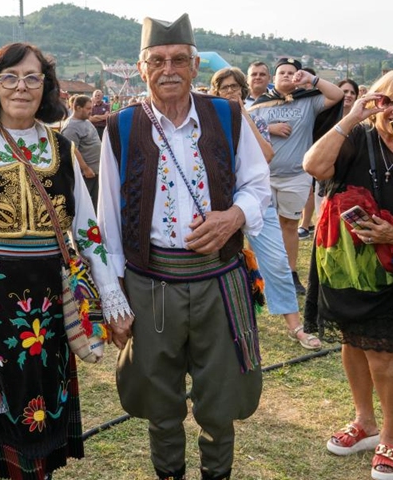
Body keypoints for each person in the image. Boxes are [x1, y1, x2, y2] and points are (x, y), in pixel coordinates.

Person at [0, 42, 133, 480]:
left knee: (41, 398)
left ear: (46, 86)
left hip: (50, 303)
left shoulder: (60, 146)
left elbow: (88, 230)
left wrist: (111, 297)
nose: (21, 87)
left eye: (32, 78)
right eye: (10, 78)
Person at [101, 14, 270, 480]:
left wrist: (233, 217)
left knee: (222, 395)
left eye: (179, 59)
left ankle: (217, 474)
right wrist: (113, 299)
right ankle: (169, 474)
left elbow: (259, 186)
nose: (168, 68)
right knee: (159, 397)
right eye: (157, 60)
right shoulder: (121, 126)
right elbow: (108, 219)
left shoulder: (226, 115)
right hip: (152, 281)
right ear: (142, 69)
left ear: (195, 65)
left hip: (220, 277)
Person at [303, 70, 393, 480]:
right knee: (351, 340)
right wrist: (351, 117)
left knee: (384, 352)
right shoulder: (355, 138)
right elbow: (313, 165)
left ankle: (391, 435)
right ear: (372, 102)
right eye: (386, 101)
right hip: (343, 262)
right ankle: (364, 421)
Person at [209, 67, 318, 351]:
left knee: (277, 261)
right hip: (218, 202)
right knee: (220, 262)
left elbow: (267, 155)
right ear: (216, 91)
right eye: (224, 88)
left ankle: (295, 325)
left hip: (256, 198)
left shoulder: (253, 117)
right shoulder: (208, 121)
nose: (230, 92)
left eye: (235, 87)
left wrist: (243, 114)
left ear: (243, 91)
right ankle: (222, 323)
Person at [249, 57, 344, 295]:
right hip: (265, 176)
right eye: (281, 72)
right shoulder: (260, 104)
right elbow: (247, 129)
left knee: (289, 225)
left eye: (292, 72)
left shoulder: (308, 101)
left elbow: (337, 96)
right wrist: (269, 128)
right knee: (260, 226)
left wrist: (312, 79)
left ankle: (290, 273)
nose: (286, 76)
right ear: (274, 77)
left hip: (296, 175)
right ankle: (260, 274)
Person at [61, 95, 100, 209]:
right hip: (86, 174)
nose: (90, 111)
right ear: (78, 108)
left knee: (95, 204)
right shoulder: (71, 127)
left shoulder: (85, 121)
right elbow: (72, 150)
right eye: (88, 108)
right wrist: (85, 168)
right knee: (84, 206)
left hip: (95, 170)